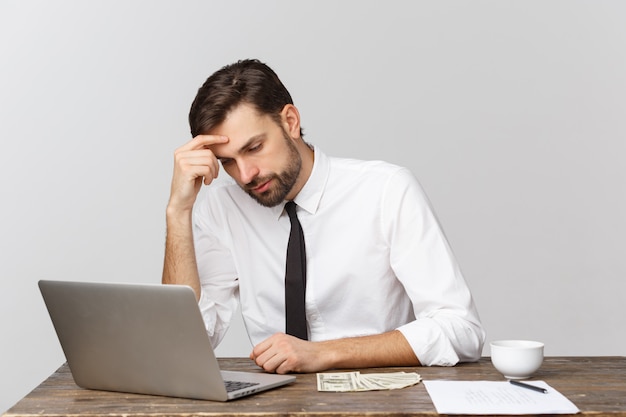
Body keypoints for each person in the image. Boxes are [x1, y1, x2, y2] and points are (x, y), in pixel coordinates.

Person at [162, 59, 485, 374]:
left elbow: (460, 330)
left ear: (290, 121)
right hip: (273, 408)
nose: (246, 174)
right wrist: (178, 212)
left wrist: (323, 354)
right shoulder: (223, 209)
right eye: (228, 162)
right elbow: (182, 346)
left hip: (380, 401)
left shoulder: (385, 191)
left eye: (254, 147)